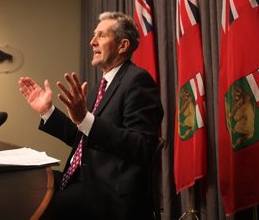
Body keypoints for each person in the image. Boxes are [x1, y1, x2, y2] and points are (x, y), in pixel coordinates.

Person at [18, 11, 163, 219]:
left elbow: (142, 147)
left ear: (123, 46)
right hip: (81, 179)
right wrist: (47, 112)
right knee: (27, 188)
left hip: (109, 194)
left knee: (38, 211)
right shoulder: (99, 87)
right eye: (94, 35)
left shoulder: (137, 81)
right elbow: (83, 139)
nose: (92, 41)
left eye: (101, 36)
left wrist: (85, 120)